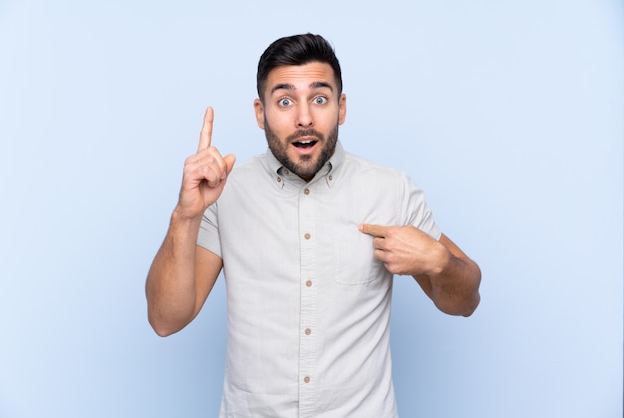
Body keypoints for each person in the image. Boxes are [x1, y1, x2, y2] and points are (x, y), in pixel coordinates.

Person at [146, 33, 481, 418]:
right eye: (284, 101)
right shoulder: (224, 192)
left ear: (340, 107)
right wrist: (185, 215)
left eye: (319, 99)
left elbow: (464, 303)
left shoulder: (390, 190)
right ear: (260, 113)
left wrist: (440, 263)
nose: (304, 118)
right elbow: (165, 320)